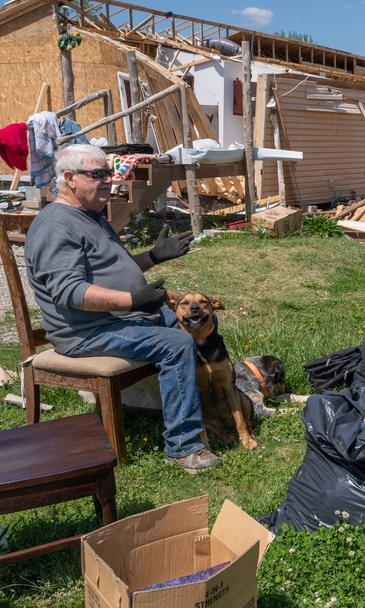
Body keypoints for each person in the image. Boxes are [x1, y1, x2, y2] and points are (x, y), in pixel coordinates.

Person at [24, 144, 220, 474]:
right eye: (98, 174)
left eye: (111, 173)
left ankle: (213, 410)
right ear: (70, 178)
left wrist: (153, 257)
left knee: (195, 323)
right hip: (86, 333)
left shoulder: (90, 215)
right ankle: (183, 447)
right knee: (176, 344)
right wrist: (134, 301)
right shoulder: (56, 225)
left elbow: (109, 268)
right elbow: (68, 291)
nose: (109, 181)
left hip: (119, 319)